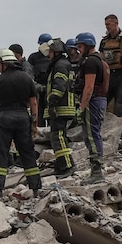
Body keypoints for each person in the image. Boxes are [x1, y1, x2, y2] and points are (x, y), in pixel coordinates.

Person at [0, 50, 41, 197]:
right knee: (27, 153)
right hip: (23, 118)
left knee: (2, 152)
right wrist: (34, 123)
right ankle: (36, 188)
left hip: (5, 118)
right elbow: (34, 102)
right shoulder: (26, 78)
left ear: (4, 64)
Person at [74, 32, 110, 184]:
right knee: (94, 134)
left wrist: (81, 107)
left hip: (92, 101)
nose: (78, 50)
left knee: (92, 136)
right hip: (100, 100)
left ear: (88, 45)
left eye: (80, 46)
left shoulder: (90, 62)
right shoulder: (102, 62)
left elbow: (88, 87)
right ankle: (96, 170)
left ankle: (97, 172)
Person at [44, 38, 76, 178]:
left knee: (59, 137)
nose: (48, 54)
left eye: (50, 51)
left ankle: (68, 165)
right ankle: (61, 164)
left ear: (55, 51)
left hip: (61, 107)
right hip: (61, 107)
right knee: (56, 137)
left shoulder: (60, 65)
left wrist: (52, 102)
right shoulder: (60, 63)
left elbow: (59, 86)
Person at [28, 33, 53, 127]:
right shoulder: (33, 57)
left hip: (50, 90)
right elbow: (30, 74)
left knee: (50, 113)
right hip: (38, 90)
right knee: (39, 113)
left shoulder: (52, 56)